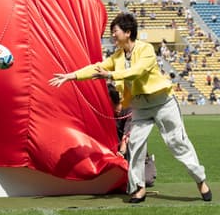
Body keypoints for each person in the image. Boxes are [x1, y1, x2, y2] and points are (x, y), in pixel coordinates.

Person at [49, 12, 211, 203]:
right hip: (140, 107)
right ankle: (138, 188)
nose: (113, 35)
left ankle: (200, 180)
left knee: (177, 143)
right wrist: (71, 76)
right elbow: (97, 67)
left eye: (115, 31)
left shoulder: (146, 49)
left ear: (127, 32)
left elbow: (137, 72)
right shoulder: (118, 56)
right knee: (135, 144)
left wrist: (110, 76)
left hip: (163, 103)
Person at [107, 83, 157, 188]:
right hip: (112, 152)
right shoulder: (104, 112)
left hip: (130, 150)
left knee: (145, 181)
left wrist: (121, 153)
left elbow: (127, 136)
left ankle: (148, 162)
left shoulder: (130, 110)